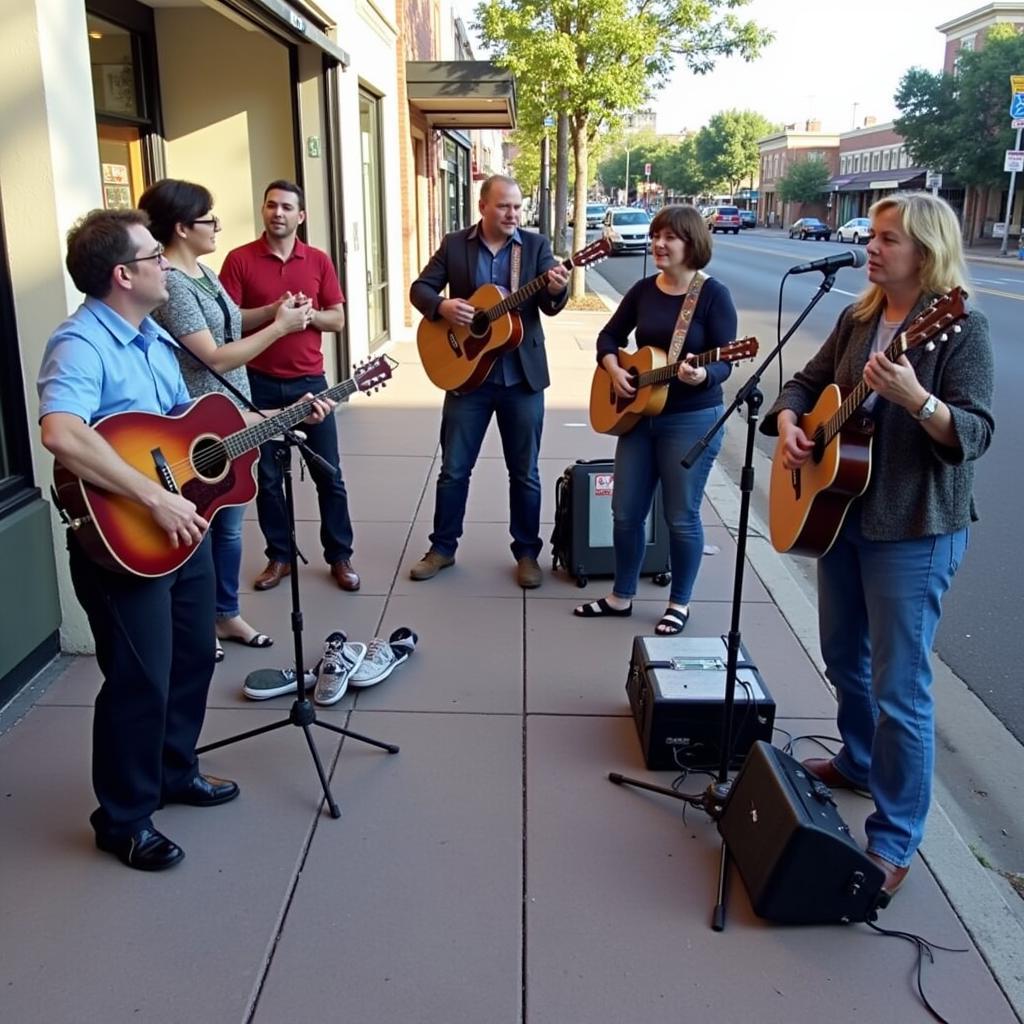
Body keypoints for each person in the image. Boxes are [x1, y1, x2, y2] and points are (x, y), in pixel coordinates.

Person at [38, 208, 332, 871]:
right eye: (152, 257)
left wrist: (286, 415)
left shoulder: (151, 339)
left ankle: (173, 772)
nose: (165, 266)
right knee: (139, 680)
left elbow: (185, 432)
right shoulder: (80, 343)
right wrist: (153, 496)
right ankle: (123, 819)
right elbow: (59, 432)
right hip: (125, 541)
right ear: (123, 275)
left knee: (195, 658)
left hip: (181, 533)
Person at [761, 192, 994, 901]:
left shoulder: (960, 328)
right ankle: (860, 760)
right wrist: (793, 421)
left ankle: (894, 840)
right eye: (875, 234)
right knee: (842, 655)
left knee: (901, 689)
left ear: (925, 253)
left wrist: (917, 400)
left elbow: (975, 431)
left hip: (914, 529)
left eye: (889, 238)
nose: (872, 243)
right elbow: (804, 382)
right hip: (842, 517)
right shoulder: (859, 316)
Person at [139, 178, 311, 661]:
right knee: (201, 525)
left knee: (231, 525)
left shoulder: (203, 272)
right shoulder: (170, 283)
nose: (216, 225)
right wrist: (281, 328)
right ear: (180, 227)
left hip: (230, 414)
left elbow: (231, 323)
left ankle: (226, 612)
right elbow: (213, 356)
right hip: (194, 424)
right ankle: (199, 625)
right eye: (208, 218)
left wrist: (274, 310)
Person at [574, 204, 737, 634]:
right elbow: (609, 336)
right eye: (656, 236)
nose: (659, 244)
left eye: (670, 237)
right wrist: (613, 368)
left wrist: (703, 373)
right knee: (625, 511)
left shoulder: (712, 295)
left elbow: (726, 361)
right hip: (639, 418)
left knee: (680, 514)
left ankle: (679, 602)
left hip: (690, 419)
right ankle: (621, 595)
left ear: (692, 244)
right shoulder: (644, 290)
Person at [409, 174, 570, 588]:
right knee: (454, 470)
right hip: (468, 376)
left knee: (525, 473)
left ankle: (527, 554)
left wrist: (557, 291)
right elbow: (420, 289)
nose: (513, 213)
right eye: (504, 206)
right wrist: (442, 305)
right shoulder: (454, 245)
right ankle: (442, 548)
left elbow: (550, 308)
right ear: (482, 206)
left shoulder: (535, 247)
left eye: (517, 206)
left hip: (522, 378)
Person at [219, 180, 358, 593]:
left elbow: (337, 319)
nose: (277, 213)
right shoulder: (239, 260)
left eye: (286, 207)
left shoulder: (317, 260)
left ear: (301, 216)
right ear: (263, 211)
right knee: (266, 477)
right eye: (271, 206)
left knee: (328, 473)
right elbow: (229, 323)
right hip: (256, 388)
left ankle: (340, 556)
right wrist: (273, 312)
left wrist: (305, 315)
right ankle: (278, 556)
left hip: (311, 384)